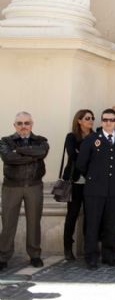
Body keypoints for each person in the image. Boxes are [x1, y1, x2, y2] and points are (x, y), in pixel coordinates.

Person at [77, 109, 115, 270]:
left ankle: (109, 256)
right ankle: (91, 257)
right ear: (101, 121)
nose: (108, 122)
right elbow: (81, 164)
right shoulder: (91, 139)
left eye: (111, 120)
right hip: (94, 190)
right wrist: (94, 177)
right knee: (93, 225)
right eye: (105, 120)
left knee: (110, 225)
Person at [0, 112, 49, 271]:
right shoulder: (5, 141)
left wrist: (19, 151)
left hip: (34, 186)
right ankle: (3, 256)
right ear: (14, 125)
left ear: (31, 124)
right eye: (19, 123)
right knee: (8, 223)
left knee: (34, 222)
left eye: (26, 123)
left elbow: (42, 152)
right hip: (11, 187)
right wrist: (32, 155)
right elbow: (8, 158)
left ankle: (35, 255)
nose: (23, 126)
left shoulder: (41, 141)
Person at [61, 109, 94, 261]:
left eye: (92, 118)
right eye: (87, 118)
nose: (90, 120)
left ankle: (89, 247)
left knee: (90, 215)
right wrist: (86, 155)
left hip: (91, 182)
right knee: (72, 215)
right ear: (79, 121)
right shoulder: (71, 136)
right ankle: (68, 247)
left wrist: (82, 153)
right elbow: (73, 156)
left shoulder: (96, 136)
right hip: (74, 181)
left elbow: (97, 157)